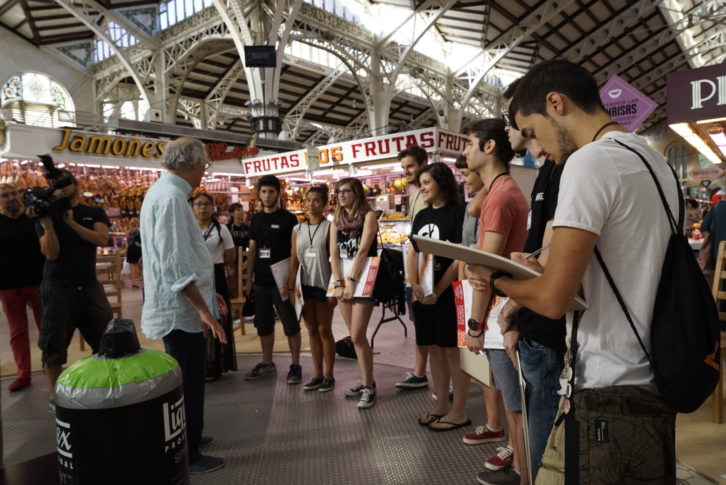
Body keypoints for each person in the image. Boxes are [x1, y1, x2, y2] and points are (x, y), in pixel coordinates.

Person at [471, 59, 679, 484]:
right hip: (653, 378)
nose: (534, 149)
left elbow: (553, 299)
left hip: (605, 383)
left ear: (557, 104)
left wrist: (497, 279)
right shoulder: (651, 159)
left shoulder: (590, 163)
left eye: (530, 132)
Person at [139, 137, 227, 473]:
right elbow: (174, 264)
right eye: (204, 163)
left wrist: (208, 294)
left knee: (189, 376)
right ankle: (187, 450)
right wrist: (203, 309)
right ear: (190, 163)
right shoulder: (173, 198)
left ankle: (192, 434)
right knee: (187, 380)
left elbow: (180, 256)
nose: (205, 170)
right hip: (180, 310)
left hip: (181, 304)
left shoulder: (164, 193)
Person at [495, 81, 567, 479]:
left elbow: (555, 262)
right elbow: (543, 250)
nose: (512, 129)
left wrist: (510, 302)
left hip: (549, 328)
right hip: (535, 325)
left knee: (547, 449)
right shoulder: (546, 172)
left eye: (518, 122)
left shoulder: (568, 168)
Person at [462, 119, 529, 485]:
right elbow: (474, 214)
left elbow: (485, 271)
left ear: (489, 147)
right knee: (513, 403)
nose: (464, 151)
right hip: (503, 309)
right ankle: (517, 460)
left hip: (499, 313)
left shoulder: (501, 196)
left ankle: (521, 471)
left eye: (469, 144)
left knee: (515, 408)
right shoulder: (501, 191)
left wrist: (473, 325)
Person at [35, 170, 113, 409]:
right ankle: (55, 397)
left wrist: (71, 223)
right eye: (55, 185)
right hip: (58, 286)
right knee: (53, 345)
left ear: (75, 185)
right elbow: (51, 253)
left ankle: (107, 389)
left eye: (65, 184)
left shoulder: (92, 212)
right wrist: (49, 225)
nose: (61, 189)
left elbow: (102, 239)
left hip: (88, 285)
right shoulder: (45, 216)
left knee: (107, 340)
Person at [406, 163, 469, 430]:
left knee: (452, 352)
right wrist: (414, 284)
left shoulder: (459, 213)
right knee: (432, 349)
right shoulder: (420, 216)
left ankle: (459, 409)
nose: (422, 187)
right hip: (424, 294)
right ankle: (441, 403)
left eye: (427, 182)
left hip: (447, 294)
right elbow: (412, 251)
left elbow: (458, 258)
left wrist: (439, 290)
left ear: (442, 183)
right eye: (420, 183)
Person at [453, 157, 508, 448]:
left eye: (467, 173)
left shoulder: (492, 199)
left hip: (488, 291)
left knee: (495, 362)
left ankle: (502, 431)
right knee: (481, 362)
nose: (463, 179)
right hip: (469, 288)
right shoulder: (473, 205)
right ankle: (493, 423)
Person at [244, 175, 302, 383]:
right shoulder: (256, 219)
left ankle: (295, 365)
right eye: (263, 192)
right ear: (258, 194)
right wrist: (248, 277)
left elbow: (295, 251)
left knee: (290, 324)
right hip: (261, 281)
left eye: (271, 191)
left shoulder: (289, 219)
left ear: (278, 193)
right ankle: (267, 363)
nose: (267, 196)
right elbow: (252, 249)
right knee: (264, 325)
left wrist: (292, 278)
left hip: (283, 281)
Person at [330, 177, 379, 409]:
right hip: (342, 279)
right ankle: (366, 381)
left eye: (346, 191)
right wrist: (338, 282)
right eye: (338, 191)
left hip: (364, 278)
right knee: (354, 335)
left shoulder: (369, 217)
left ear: (356, 193)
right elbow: (333, 254)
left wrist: (350, 280)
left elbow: (363, 251)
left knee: (358, 335)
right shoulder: (335, 221)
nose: (341, 195)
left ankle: (368, 387)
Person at [286, 185, 336, 393]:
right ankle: (316, 374)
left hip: (323, 283)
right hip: (304, 284)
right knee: (312, 330)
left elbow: (335, 259)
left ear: (324, 204)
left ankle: (329, 375)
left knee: (325, 329)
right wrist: (290, 287)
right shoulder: (297, 229)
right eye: (308, 200)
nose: (311, 204)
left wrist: (334, 288)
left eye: (316, 200)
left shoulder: (330, 228)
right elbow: (294, 259)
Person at [0, 183, 44, 392]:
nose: (10, 198)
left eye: (13, 193)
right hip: (9, 285)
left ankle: (51, 366)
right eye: (4, 195)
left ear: (19, 195)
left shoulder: (34, 219)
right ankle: (23, 373)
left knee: (47, 327)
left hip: (38, 282)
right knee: (18, 332)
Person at [191, 192, 238, 379]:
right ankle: (198, 362)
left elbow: (231, 255)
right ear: (192, 208)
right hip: (194, 278)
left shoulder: (221, 229)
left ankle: (215, 363)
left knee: (217, 317)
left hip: (215, 276)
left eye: (206, 204)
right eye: (199, 204)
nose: (203, 208)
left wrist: (213, 262)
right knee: (197, 319)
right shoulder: (188, 229)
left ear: (213, 207)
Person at [396, 145, 430, 390]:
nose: (406, 171)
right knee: (420, 324)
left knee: (434, 327)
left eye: (410, 166)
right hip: (416, 268)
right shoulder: (415, 192)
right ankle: (420, 372)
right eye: (404, 168)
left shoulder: (428, 194)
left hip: (427, 270)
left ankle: (449, 378)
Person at [125, 217, 142, 288]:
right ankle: (137, 282)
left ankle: (133, 282)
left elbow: (127, 242)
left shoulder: (128, 232)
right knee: (137, 266)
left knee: (132, 267)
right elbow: (140, 242)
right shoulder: (138, 231)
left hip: (130, 249)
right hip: (136, 249)